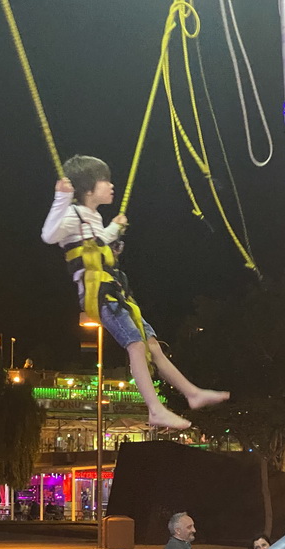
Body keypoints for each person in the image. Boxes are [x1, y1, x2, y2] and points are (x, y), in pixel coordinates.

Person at [42, 157, 229, 430]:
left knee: (152, 345)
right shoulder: (72, 215)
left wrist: (113, 231)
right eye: (105, 181)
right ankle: (155, 409)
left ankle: (192, 393)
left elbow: (96, 244)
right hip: (98, 295)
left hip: (115, 291)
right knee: (136, 345)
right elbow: (49, 235)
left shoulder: (92, 217)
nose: (111, 185)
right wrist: (61, 197)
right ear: (89, 189)